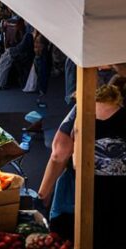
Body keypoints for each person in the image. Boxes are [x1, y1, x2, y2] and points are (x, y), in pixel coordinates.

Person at [39, 78, 126, 248]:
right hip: (120, 194)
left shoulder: (81, 109)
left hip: (83, 190)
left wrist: (43, 195)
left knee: (80, 238)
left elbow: (58, 154)